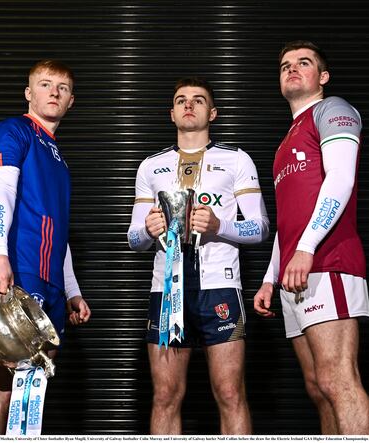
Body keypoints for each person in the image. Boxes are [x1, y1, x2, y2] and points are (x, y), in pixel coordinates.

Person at [127, 76, 269, 434]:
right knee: (165, 395)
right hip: (166, 292)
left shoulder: (236, 160)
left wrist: (219, 225)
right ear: (172, 113)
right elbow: (133, 239)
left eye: (199, 100)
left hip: (219, 288)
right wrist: (149, 229)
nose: (189, 105)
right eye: (181, 100)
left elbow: (261, 228)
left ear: (214, 112)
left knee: (230, 392)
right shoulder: (150, 166)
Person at [253, 40, 369, 434]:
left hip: (329, 262)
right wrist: (270, 278)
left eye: (303, 63)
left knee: (338, 379)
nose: (292, 68)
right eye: (285, 64)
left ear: (322, 77)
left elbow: (341, 179)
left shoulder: (331, 109)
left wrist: (306, 248)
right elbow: (287, 221)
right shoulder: (286, 140)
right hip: (295, 273)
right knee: (318, 387)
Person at [0, 59, 91, 434]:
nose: (54, 92)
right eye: (45, 84)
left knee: (30, 393)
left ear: (71, 101)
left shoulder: (58, 156)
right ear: (28, 93)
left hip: (51, 285)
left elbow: (59, 229)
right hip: (16, 273)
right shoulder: (14, 131)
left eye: (63, 88)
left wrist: (72, 290)